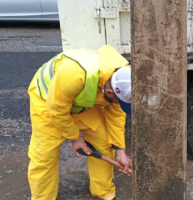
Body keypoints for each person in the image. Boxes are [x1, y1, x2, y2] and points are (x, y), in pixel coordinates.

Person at [27, 45, 132, 200]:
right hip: (49, 103)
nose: (118, 104)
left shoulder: (122, 75)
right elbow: (57, 110)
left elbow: (116, 116)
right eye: (119, 101)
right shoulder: (75, 74)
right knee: (44, 156)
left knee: (103, 143)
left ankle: (103, 191)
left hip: (84, 102)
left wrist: (120, 150)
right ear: (110, 92)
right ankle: (43, 197)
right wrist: (75, 138)